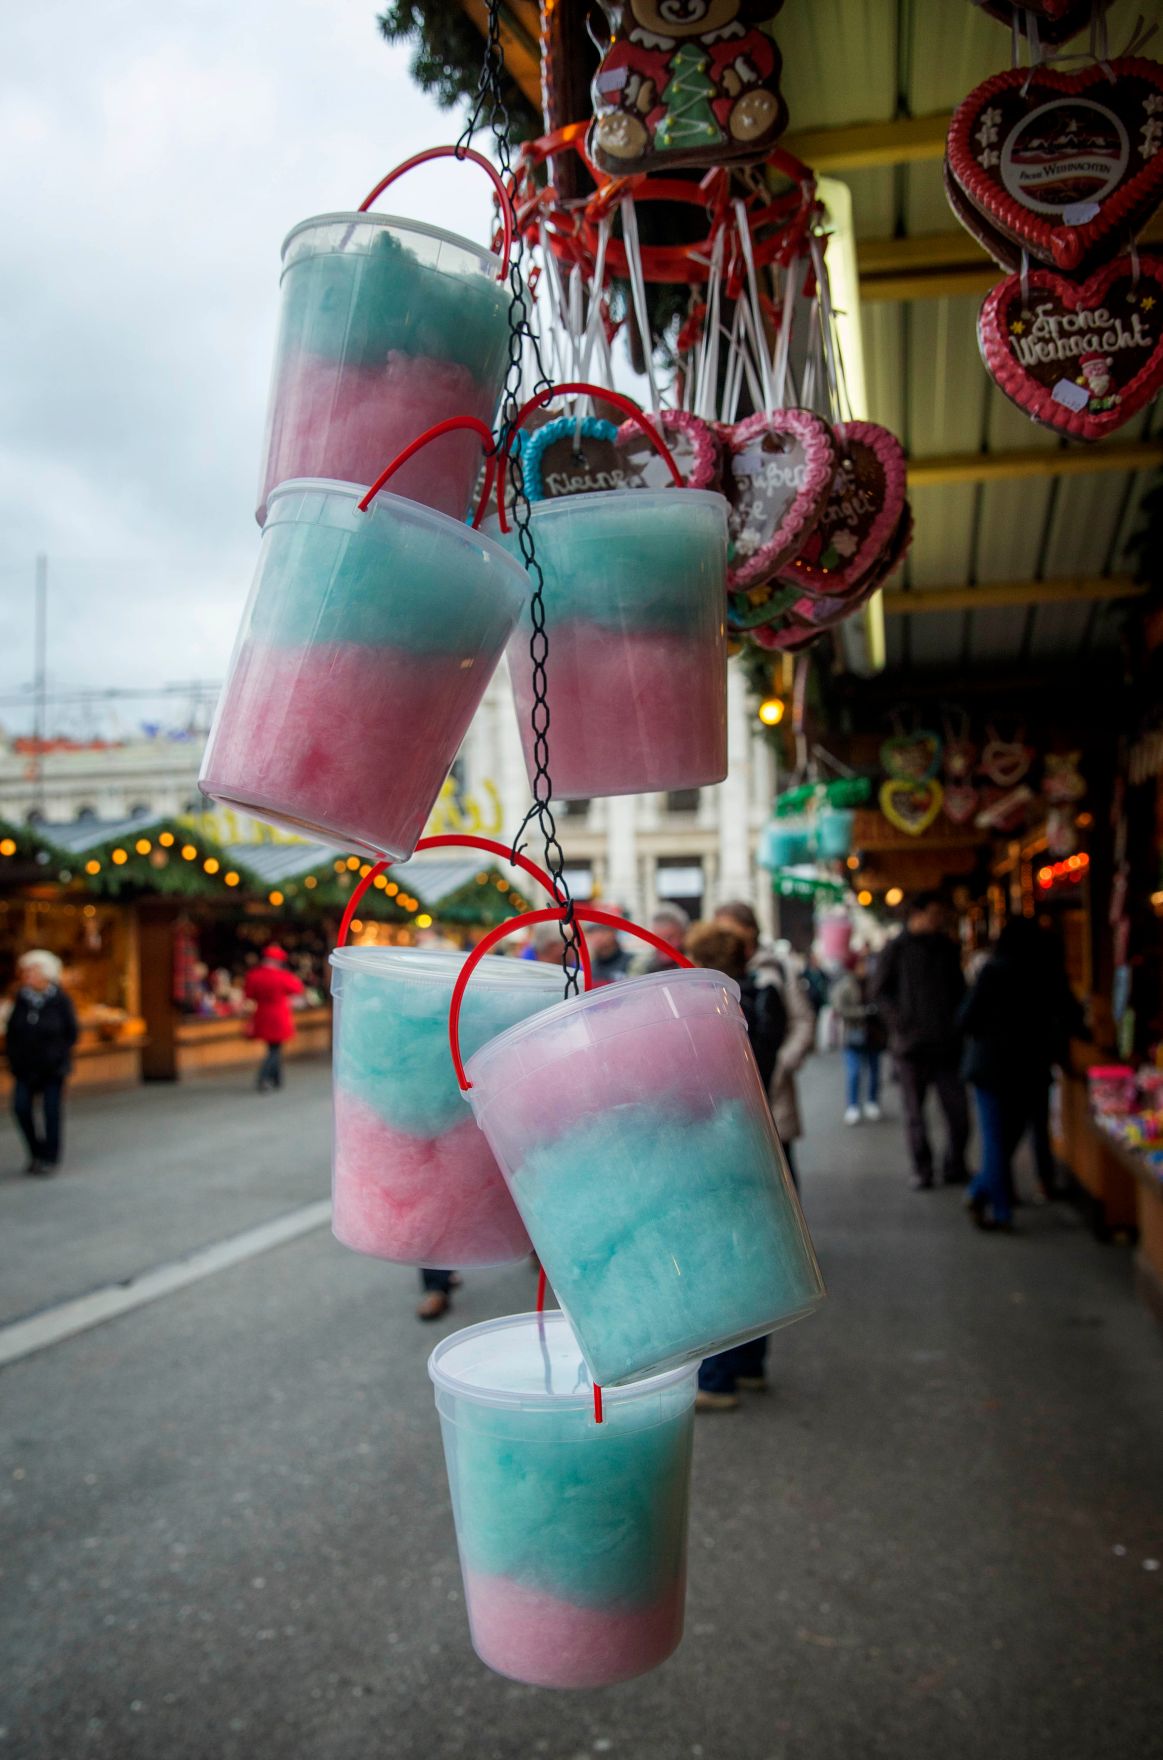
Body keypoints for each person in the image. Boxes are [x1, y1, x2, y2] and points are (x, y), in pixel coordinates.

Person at [684, 920, 786, 1411]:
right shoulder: (762, 998)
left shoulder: (702, 1009)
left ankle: (719, 1377)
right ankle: (750, 1366)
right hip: (757, 1132)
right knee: (753, 1253)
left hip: (713, 1142)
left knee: (719, 1260)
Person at [959, 918, 1084, 1229]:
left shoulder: (992, 973)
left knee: (995, 1140)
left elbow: (965, 1019)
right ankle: (984, 1194)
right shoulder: (1049, 974)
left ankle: (997, 1206)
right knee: (1008, 1139)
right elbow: (1072, 1017)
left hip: (991, 1069)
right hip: (1032, 1069)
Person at [871, 891, 969, 1191]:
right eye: (934, 914)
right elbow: (879, 991)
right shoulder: (895, 949)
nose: (938, 920)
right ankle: (922, 1168)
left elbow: (961, 992)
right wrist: (900, 1024)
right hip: (910, 1046)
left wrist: (957, 1025)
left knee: (959, 1113)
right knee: (915, 1115)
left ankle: (955, 1165)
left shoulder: (948, 948)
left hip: (947, 1045)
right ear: (917, 913)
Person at [714, 900, 815, 1188]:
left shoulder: (777, 968)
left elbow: (803, 1020)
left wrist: (783, 1062)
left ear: (749, 930)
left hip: (774, 1085)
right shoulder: (713, 969)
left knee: (780, 1170)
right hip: (729, 1093)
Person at [5, 949, 78, 1176]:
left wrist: (59, 1056)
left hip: (52, 1068)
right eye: (25, 971)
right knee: (21, 1108)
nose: (27, 975)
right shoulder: (20, 1000)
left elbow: (71, 1032)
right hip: (25, 1068)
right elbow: (11, 1032)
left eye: (33, 970)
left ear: (47, 974)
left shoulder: (60, 1000)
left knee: (51, 1112)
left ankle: (50, 1157)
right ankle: (36, 1152)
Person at [831, 952, 886, 1125]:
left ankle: (872, 1101)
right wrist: (864, 1012)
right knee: (854, 1072)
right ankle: (853, 1105)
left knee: (874, 1070)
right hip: (854, 1035)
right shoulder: (845, 985)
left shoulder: (874, 982)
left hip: (873, 1035)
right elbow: (839, 1008)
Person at [243, 945, 305, 1092]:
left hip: (262, 1014)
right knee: (275, 1049)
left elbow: (249, 994)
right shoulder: (282, 976)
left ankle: (277, 1079)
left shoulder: (254, 975)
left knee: (273, 1047)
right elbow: (297, 989)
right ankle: (264, 1077)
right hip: (279, 1015)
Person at [629, 902, 691, 976]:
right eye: (657, 939)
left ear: (684, 935)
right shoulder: (641, 967)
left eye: (670, 938)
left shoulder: (695, 966)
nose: (664, 945)